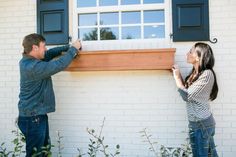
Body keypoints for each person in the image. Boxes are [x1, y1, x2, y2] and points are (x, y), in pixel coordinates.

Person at [17, 33, 81, 157]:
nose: (45, 49)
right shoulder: (33, 66)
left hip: (35, 116)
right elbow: (58, 65)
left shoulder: (29, 61)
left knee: (43, 152)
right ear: (35, 48)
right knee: (36, 154)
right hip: (33, 118)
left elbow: (50, 53)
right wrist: (73, 50)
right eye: (43, 46)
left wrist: (68, 47)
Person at [172, 42, 219, 157]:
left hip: (202, 124)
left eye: (190, 51)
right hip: (197, 124)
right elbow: (188, 92)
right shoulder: (195, 74)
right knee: (210, 155)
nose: (187, 54)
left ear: (199, 57)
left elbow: (186, 96)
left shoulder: (207, 74)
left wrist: (177, 77)